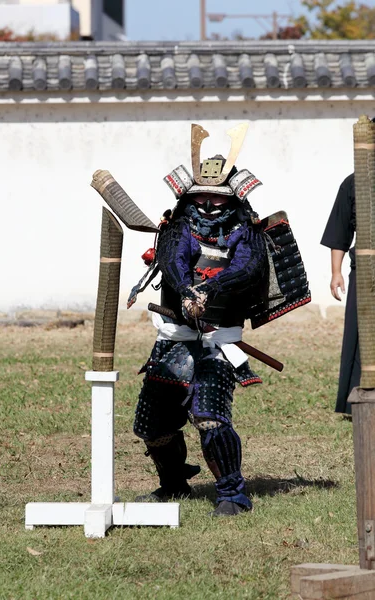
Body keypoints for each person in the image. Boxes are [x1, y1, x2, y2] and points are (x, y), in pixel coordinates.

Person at [127, 124, 308, 516]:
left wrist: (211, 288)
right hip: (173, 339)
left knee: (209, 418)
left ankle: (232, 494)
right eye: (203, 196)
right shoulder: (177, 228)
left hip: (218, 342)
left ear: (234, 199)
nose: (209, 204)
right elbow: (173, 263)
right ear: (191, 196)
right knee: (152, 425)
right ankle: (173, 483)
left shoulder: (248, 233)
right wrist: (188, 289)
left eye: (217, 197)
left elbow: (248, 270)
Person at [320, 173, 359, 415]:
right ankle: (355, 400)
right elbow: (340, 231)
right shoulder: (353, 183)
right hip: (365, 270)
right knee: (359, 334)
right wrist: (336, 272)